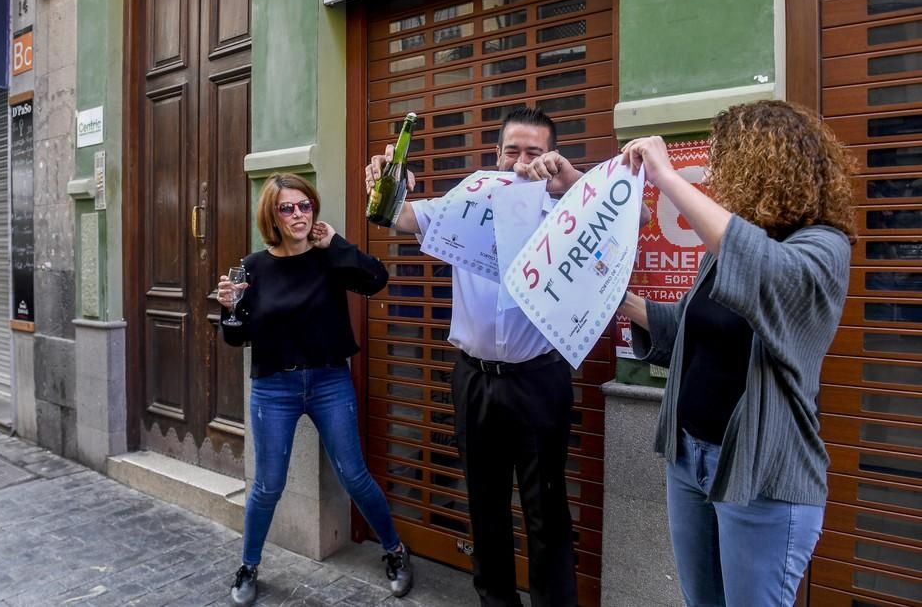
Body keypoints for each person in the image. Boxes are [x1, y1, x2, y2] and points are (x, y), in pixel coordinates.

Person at [618, 100, 856, 607]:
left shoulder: (823, 247)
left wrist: (666, 177)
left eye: (724, 160)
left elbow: (767, 273)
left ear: (762, 162)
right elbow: (686, 325)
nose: (717, 173)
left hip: (763, 476)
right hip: (690, 460)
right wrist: (615, 298)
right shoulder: (725, 245)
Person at [366, 107, 591, 607]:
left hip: (539, 380)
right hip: (473, 379)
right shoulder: (468, 200)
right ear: (496, 154)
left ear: (553, 157)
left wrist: (572, 183)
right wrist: (386, 184)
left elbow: (633, 215)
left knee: (546, 511)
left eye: (535, 151)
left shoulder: (569, 212)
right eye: (513, 150)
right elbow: (398, 217)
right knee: (485, 506)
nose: (522, 161)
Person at [217, 173, 413, 606]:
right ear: (272, 215)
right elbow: (237, 337)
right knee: (267, 485)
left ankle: (395, 550)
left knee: (354, 475)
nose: (298, 215)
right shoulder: (252, 268)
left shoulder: (329, 258)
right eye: (287, 208)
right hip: (274, 388)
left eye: (304, 206)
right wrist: (229, 309)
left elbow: (376, 279)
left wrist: (337, 244)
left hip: (329, 380)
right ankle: (248, 566)